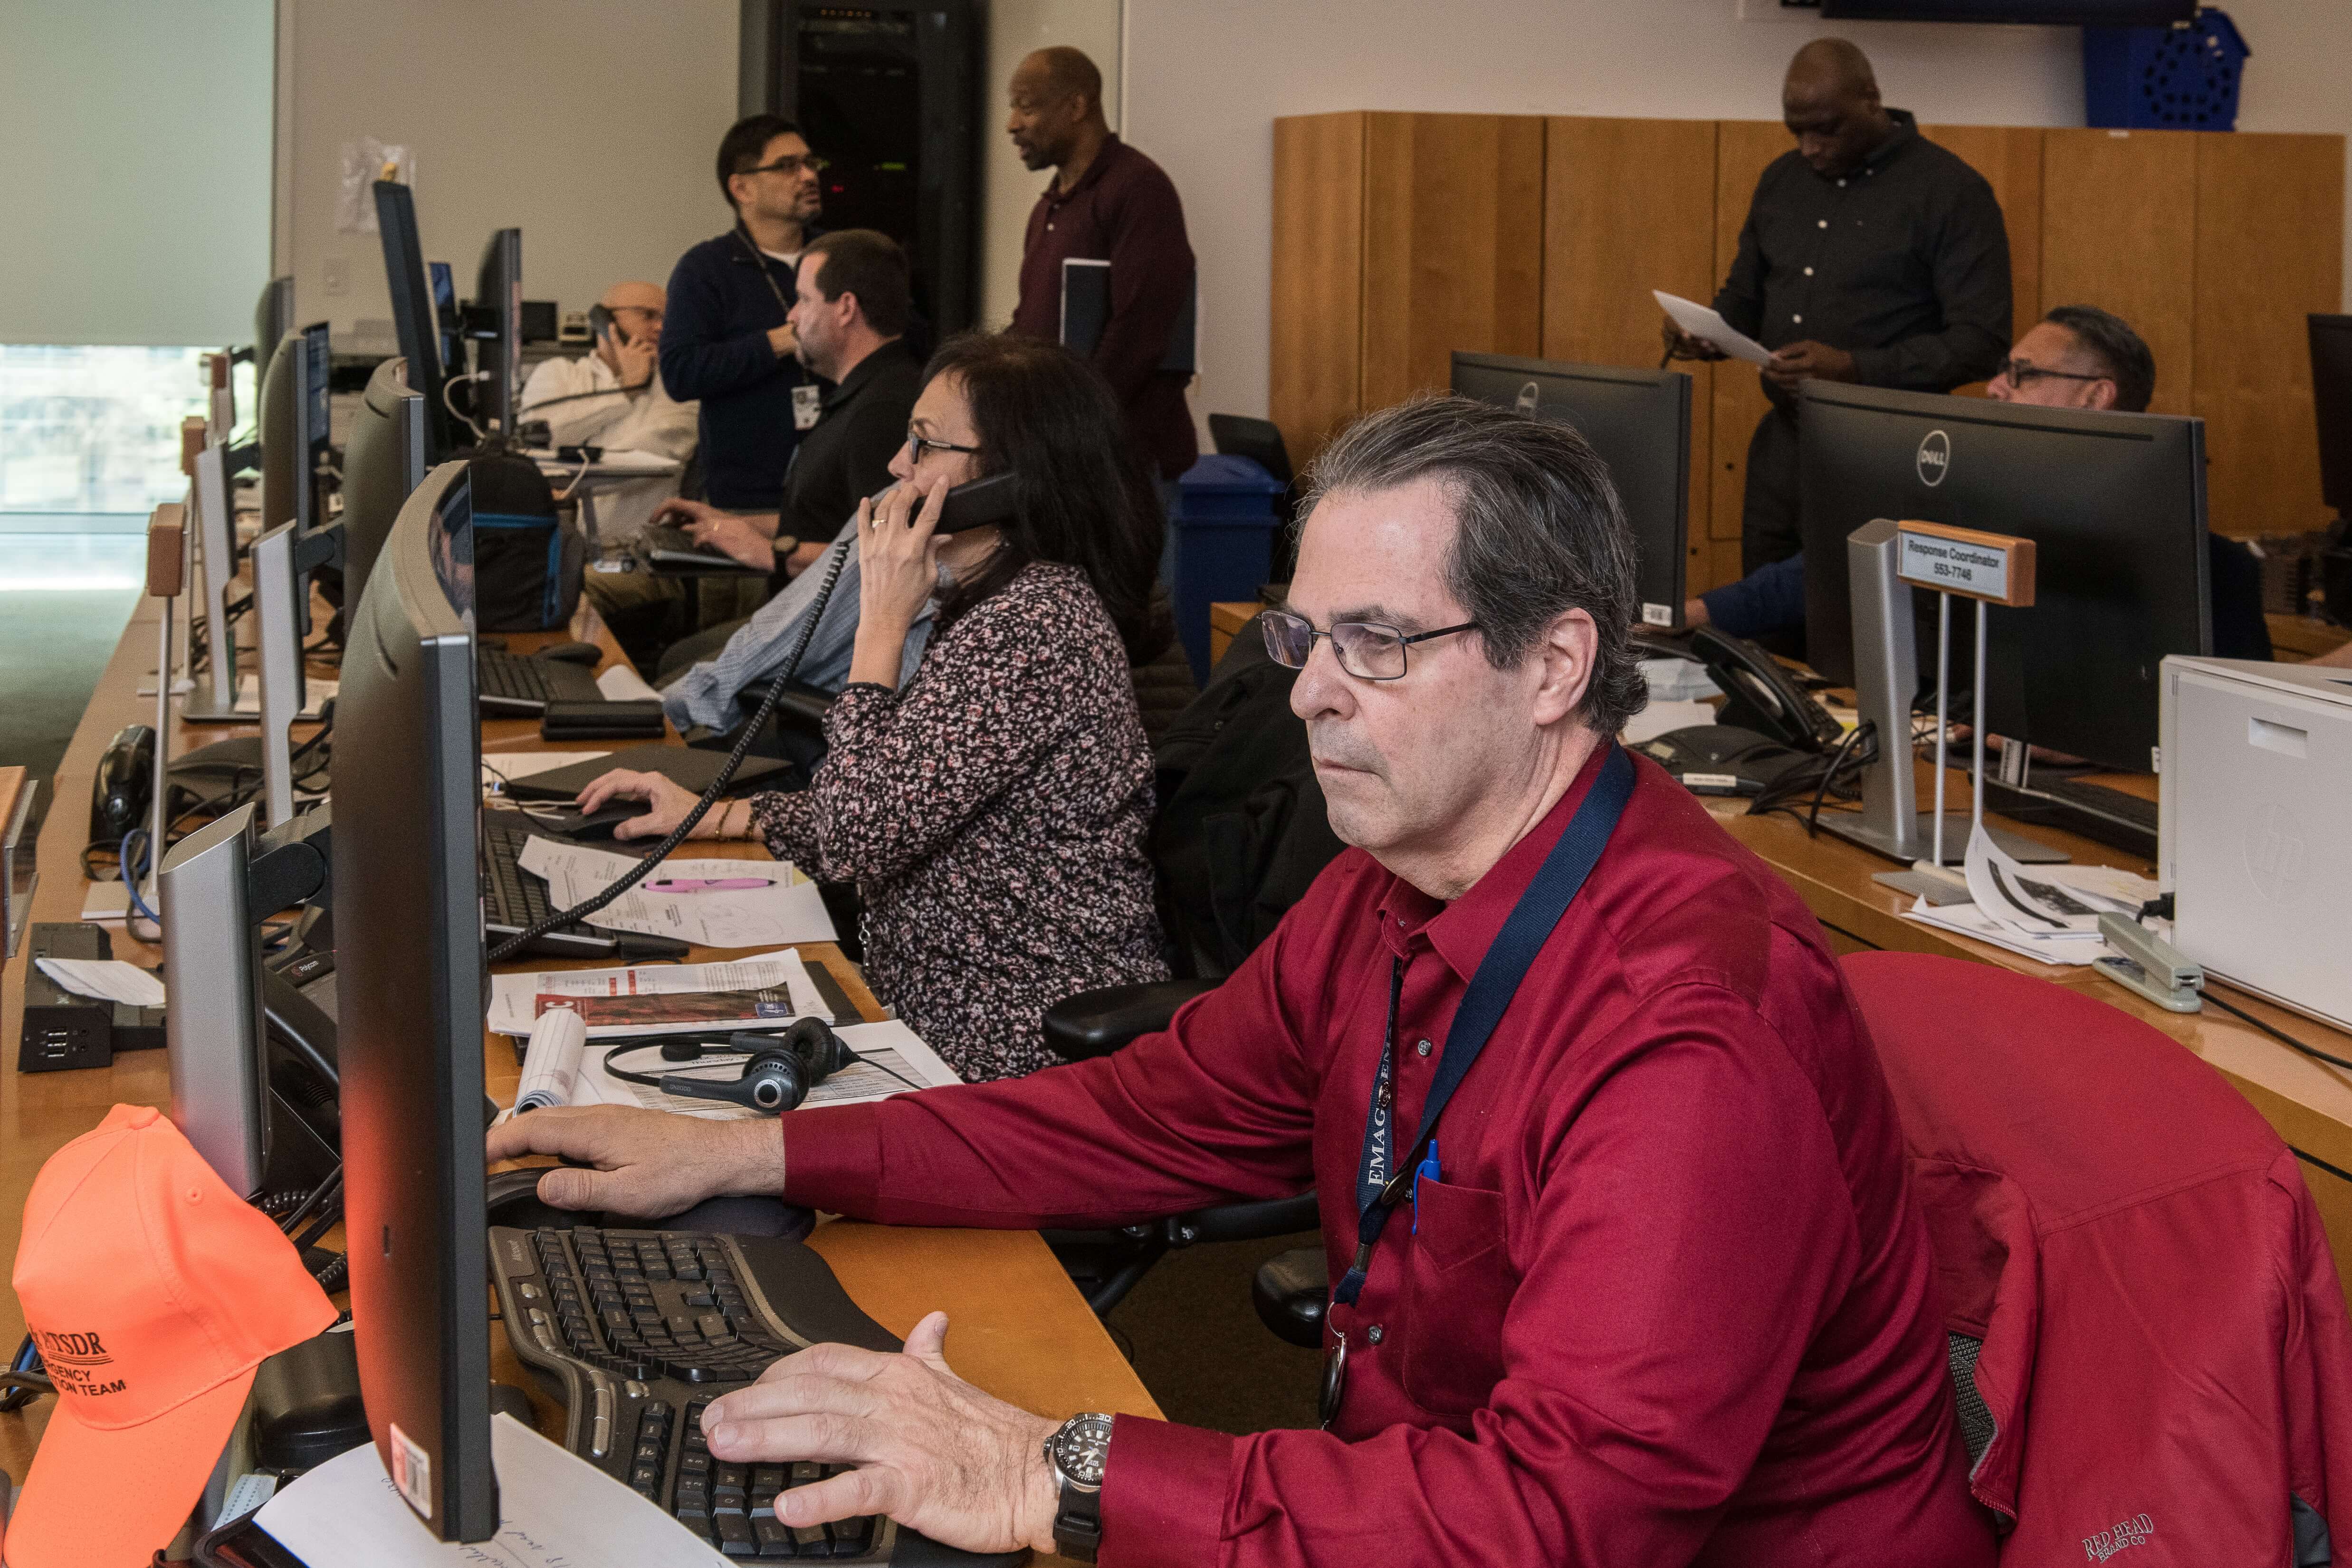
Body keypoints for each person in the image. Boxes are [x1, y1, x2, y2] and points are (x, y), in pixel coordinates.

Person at [491, 395, 1995, 1567]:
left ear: (1552, 666)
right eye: (1305, 634)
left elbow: (1560, 1520)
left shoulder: (1687, 1031)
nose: (1309, 691)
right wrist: (756, 1151)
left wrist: (1048, 1467)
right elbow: (1146, 1111)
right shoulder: (1392, 887)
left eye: (1376, 644)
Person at [580, 334, 1169, 1081]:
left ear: (1012, 478)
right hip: (931, 1009)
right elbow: (884, 802)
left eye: (925, 444)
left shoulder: (1034, 630)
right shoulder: (988, 607)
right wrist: (712, 815)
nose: (897, 464)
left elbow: (857, 834)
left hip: (1011, 1040)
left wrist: (882, 625)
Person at [1686, 305, 2275, 662]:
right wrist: (1689, 613)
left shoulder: (2207, 569)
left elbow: (2226, 718)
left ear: (2097, 396)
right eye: (2002, 371)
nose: (1996, 388)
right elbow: (1838, 566)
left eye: (2023, 375)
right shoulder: (1973, 505)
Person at [1671, 38, 2010, 573]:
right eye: (1796, 132)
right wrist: (1707, 332)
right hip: (1784, 447)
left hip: (1888, 453)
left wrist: (1855, 368)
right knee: (1758, 611)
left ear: (1872, 100)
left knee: (1857, 613)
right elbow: (1745, 298)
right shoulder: (1781, 181)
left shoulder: (1951, 190)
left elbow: (1982, 342)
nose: (1810, 147)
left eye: (1827, 129)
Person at [639, 230, 926, 685]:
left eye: (804, 300)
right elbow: (830, 522)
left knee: (672, 684)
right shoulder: (860, 395)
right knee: (677, 661)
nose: (791, 317)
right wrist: (729, 523)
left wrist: (770, 554)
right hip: (812, 621)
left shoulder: (881, 411)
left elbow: (882, 559)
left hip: (839, 645)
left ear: (846, 308)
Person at [1007, 46, 1198, 487]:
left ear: (1077, 106)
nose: (1012, 124)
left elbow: (1141, 330)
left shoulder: (1139, 189)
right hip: (1064, 456)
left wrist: (1073, 421)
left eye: (1027, 107)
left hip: (1122, 464)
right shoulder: (1050, 206)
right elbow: (1033, 324)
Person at [662, 114, 828, 516]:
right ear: (742, 188)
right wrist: (779, 342)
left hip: (839, 490)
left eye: (810, 163)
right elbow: (681, 372)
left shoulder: (841, 257)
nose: (809, 176)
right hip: (745, 499)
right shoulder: (706, 268)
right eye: (788, 166)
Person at [518, 280, 699, 628]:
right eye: (648, 316)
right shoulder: (558, 373)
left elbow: (640, 460)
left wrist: (568, 464)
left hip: (638, 559)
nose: (661, 327)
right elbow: (538, 439)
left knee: (567, 592)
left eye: (668, 318)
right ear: (605, 322)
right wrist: (624, 392)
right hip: (558, 553)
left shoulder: (681, 391)